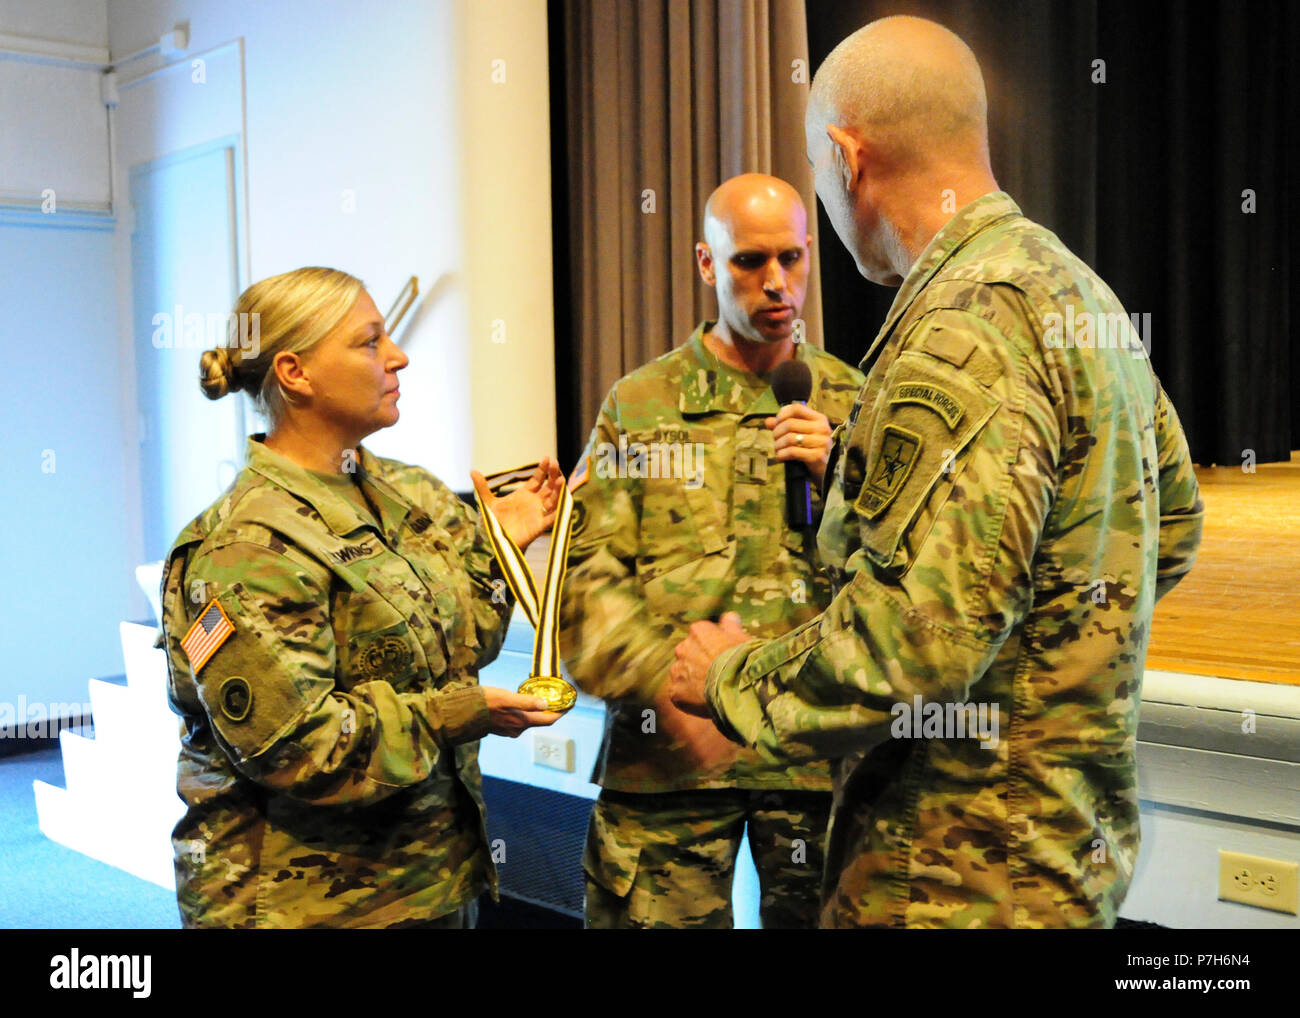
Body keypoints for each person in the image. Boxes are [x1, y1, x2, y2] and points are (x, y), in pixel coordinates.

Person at [670, 16, 1204, 928]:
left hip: (950, 879)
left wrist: (730, 678)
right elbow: (1175, 526)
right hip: (1064, 860)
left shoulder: (957, 328)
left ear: (845, 156)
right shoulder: (1075, 289)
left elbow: (913, 647)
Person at [158, 266, 564, 928]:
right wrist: (461, 714)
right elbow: (302, 749)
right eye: (370, 341)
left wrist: (501, 547)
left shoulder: (408, 492)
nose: (398, 356)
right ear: (295, 373)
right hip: (305, 906)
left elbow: (466, 646)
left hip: (431, 879)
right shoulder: (245, 550)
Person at [558, 174, 865, 928]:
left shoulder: (856, 402)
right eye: (748, 262)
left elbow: (916, 573)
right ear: (705, 264)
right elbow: (585, 584)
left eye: (791, 259)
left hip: (815, 757)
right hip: (669, 762)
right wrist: (674, 691)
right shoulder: (641, 405)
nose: (775, 284)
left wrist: (844, 483)